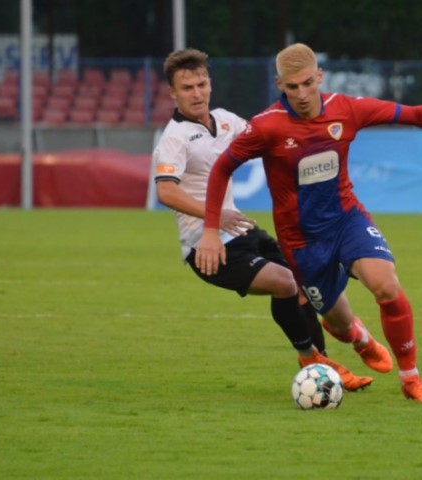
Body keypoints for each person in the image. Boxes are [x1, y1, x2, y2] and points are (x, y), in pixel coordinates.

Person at [195, 43, 422, 402]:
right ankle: (359, 338)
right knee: (339, 324)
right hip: (302, 242)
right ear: (279, 84)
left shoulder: (346, 109)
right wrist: (210, 231)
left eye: (307, 83)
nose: (302, 94)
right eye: (292, 87)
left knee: (386, 285)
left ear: (320, 76)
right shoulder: (267, 126)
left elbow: (413, 114)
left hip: (346, 220)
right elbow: (221, 170)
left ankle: (411, 379)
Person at [152, 48, 372, 392]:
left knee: (303, 281)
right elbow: (166, 192)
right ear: (172, 93)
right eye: (187, 88)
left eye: (201, 84)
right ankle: (309, 359)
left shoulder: (225, 120)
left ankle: (325, 369)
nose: (196, 93)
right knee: (285, 282)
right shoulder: (174, 138)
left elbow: (266, 135)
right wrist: (214, 217)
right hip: (207, 246)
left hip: (241, 231)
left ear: (210, 84)